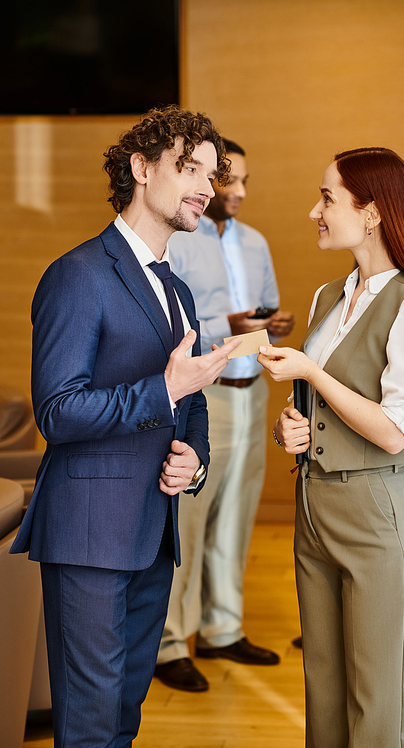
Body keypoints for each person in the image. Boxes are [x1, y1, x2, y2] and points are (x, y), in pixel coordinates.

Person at [10, 105, 241, 748]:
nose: (206, 186)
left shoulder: (177, 291)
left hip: (151, 533)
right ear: (140, 167)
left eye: (211, 173)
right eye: (187, 168)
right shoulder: (78, 275)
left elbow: (189, 406)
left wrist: (193, 460)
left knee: (123, 720)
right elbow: (57, 410)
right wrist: (163, 387)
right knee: (87, 727)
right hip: (88, 534)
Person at [258, 147, 404, 748]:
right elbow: (319, 415)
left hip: (378, 517)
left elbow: (397, 431)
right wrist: (291, 427)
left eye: (327, 198)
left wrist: (313, 377)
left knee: (379, 709)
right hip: (313, 511)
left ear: (371, 214)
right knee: (326, 696)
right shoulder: (327, 298)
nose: (313, 210)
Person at [154, 139, 295, 692]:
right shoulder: (178, 240)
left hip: (250, 389)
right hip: (201, 395)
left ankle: (222, 629)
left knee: (236, 515)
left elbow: (262, 309)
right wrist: (225, 326)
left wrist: (269, 325)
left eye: (241, 181)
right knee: (188, 519)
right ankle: (168, 644)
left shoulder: (255, 242)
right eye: (224, 179)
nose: (234, 191)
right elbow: (173, 328)